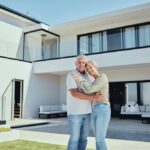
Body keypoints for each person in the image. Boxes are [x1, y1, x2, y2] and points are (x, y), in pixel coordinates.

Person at [66, 55, 105, 150]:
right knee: (74, 139)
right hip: (75, 113)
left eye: (83, 62)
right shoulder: (72, 74)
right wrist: (93, 97)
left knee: (83, 139)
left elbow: (96, 88)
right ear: (76, 64)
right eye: (79, 62)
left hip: (87, 113)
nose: (81, 64)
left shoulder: (89, 76)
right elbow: (74, 93)